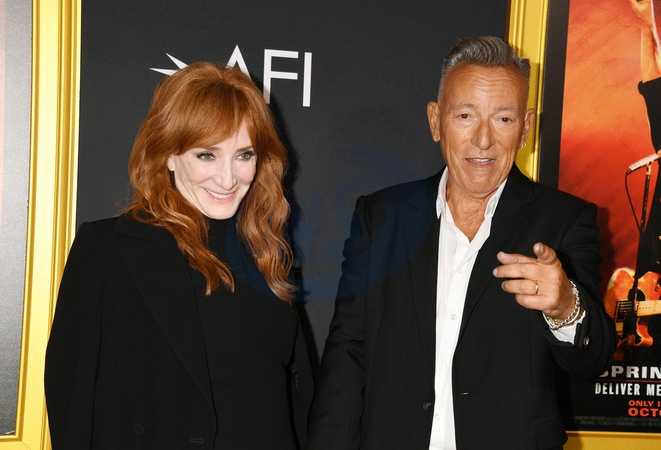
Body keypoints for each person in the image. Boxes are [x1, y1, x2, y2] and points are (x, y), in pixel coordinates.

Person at [306, 36, 616, 449]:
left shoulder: (563, 221)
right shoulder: (381, 217)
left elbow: (594, 358)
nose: (483, 139)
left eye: (503, 119)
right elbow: (348, 353)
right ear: (436, 121)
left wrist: (565, 306)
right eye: (466, 115)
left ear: (525, 128)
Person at [45, 62, 313, 449]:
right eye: (207, 155)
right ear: (169, 154)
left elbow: (291, 396)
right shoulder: (107, 250)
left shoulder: (269, 254)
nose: (228, 178)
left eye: (244, 155)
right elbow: (71, 399)